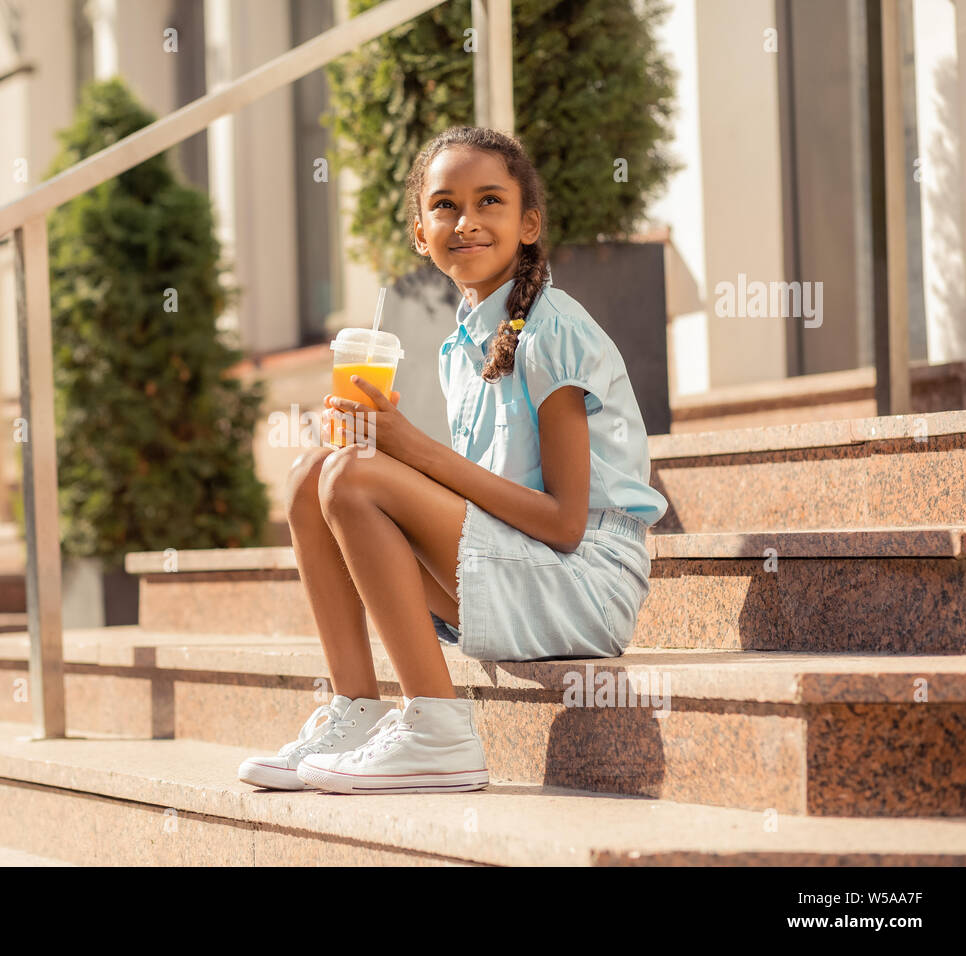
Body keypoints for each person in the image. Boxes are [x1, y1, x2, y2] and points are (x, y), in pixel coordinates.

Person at [237, 126, 668, 796]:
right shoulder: (459, 347)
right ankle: (356, 711)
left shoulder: (553, 331)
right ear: (420, 233)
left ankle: (439, 732)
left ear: (529, 224)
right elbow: (480, 502)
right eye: (444, 206)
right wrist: (386, 447)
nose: (465, 221)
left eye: (489, 201)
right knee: (309, 478)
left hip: (582, 584)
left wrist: (409, 450)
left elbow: (563, 522)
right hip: (515, 565)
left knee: (352, 475)